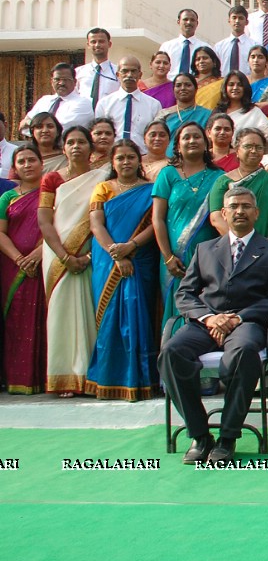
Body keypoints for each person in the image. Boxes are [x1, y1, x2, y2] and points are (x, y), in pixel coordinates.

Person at [158, 186, 268, 463]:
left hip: (247, 322)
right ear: (223, 213)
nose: (240, 211)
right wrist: (209, 317)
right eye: (234, 207)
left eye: (245, 206)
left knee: (243, 354)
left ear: (256, 213)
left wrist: (236, 317)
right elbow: (185, 293)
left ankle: (228, 438)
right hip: (206, 322)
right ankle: (200, 435)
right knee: (171, 353)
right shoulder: (205, 249)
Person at [85, 140, 158, 401]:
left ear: (139, 161)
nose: (125, 162)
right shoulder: (103, 189)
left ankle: (141, 380)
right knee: (109, 319)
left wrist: (131, 246)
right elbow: (96, 225)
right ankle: (107, 378)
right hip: (107, 260)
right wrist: (116, 254)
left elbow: (154, 225)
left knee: (139, 313)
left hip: (140, 258)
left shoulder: (151, 190)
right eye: (120, 158)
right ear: (112, 163)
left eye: (131, 157)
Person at [39, 126, 107, 396]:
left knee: (90, 310)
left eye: (82, 142)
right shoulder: (51, 179)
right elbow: (44, 221)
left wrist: (87, 255)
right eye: (70, 142)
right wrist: (66, 256)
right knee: (61, 312)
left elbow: (103, 218)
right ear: (63, 148)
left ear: (91, 149)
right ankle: (64, 376)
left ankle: (89, 375)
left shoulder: (101, 177)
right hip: (58, 254)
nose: (76, 146)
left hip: (91, 253)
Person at [151, 122, 222, 324]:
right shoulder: (168, 174)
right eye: (186, 137)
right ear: (177, 145)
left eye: (197, 137)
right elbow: (157, 218)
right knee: (174, 306)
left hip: (207, 254)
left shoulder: (219, 177)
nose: (192, 141)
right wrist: (167, 257)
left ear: (206, 142)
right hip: (173, 257)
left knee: (204, 301)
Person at [0, 145, 47, 393]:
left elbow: (58, 228)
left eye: (32, 160)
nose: (27, 165)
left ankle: (41, 376)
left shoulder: (53, 194)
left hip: (44, 264)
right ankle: (15, 378)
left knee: (42, 317)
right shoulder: (8, 197)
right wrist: (20, 259)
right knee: (15, 319)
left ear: (42, 164)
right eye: (22, 161)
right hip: (13, 266)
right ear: (15, 167)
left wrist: (39, 254)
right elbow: (0, 233)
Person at [95, 56, 161, 151]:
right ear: (118, 74)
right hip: (112, 158)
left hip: (143, 157)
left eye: (133, 71)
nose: (129, 75)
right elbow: (99, 133)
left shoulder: (153, 105)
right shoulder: (104, 104)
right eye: (125, 71)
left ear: (140, 75)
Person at [24, 63, 93, 132]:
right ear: (51, 81)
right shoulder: (44, 100)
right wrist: (30, 123)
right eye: (57, 79)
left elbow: (62, 129)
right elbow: (24, 125)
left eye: (66, 79)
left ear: (74, 82)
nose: (61, 83)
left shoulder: (83, 103)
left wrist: (33, 125)